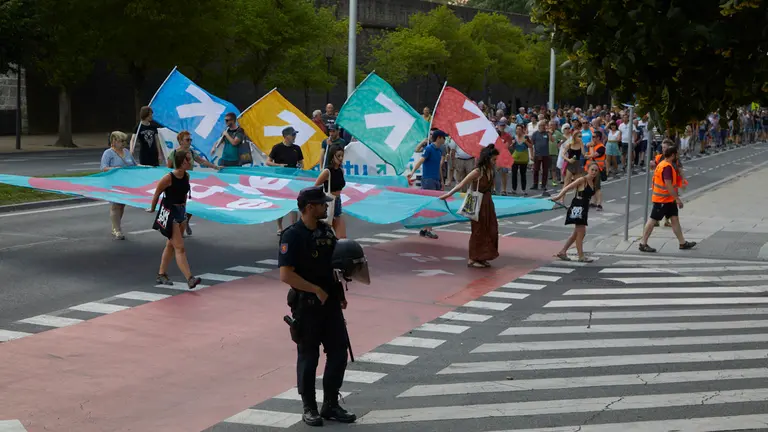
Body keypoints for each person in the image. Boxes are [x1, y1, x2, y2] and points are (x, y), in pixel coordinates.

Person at [279, 186, 356, 427]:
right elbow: (286, 275)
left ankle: (330, 404)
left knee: (339, 352)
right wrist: (315, 290)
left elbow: (334, 266)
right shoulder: (292, 236)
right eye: (322, 204)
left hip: (331, 304)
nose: (326, 207)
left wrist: (339, 293)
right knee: (308, 357)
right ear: (309, 207)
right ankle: (309, 407)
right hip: (307, 307)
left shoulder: (326, 231)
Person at [147, 149, 203, 289]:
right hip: (169, 212)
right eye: (188, 160)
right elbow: (157, 193)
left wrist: (184, 211)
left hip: (180, 212)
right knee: (180, 247)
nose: (190, 162)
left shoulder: (187, 176)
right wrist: (153, 208)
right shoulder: (168, 178)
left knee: (171, 245)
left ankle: (161, 273)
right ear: (182, 161)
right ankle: (189, 278)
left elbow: (184, 194)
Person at [439, 145, 500, 268]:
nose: (495, 162)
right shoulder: (477, 171)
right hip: (477, 202)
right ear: (487, 159)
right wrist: (448, 194)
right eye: (493, 159)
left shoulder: (491, 170)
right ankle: (473, 258)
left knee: (491, 229)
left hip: (488, 204)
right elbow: (461, 184)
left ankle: (483, 256)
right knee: (477, 231)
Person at [638, 146, 697, 253]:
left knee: (674, 219)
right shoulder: (667, 167)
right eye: (677, 154)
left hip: (668, 200)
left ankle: (682, 243)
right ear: (673, 155)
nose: (678, 157)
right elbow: (668, 185)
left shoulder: (663, 164)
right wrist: (677, 199)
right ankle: (643, 243)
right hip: (662, 200)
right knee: (652, 220)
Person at [167, 131, 220, 236]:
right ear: (180, 141)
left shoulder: (191, 152)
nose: (190, 142)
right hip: (177, 183)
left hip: (188, 181)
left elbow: (202, 161)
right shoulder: (174, 153)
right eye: (187, 140)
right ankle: (178, 229)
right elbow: (168, 169)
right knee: (178, 206)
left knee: (191, 205)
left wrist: (216, 167)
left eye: (190, 140)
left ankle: (185, 222)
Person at [552, 162, 600, 263]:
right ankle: (581, 256)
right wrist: (558, 197)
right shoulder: (582, 180)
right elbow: (568, 187)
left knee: (576, 233)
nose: (594, 172)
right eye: (592, 170)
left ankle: (563, 252)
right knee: (581, 233)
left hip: (584, 207)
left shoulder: (593, 182)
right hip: (578, 206)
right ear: (588, 169)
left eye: (596, 170)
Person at [408, 129, 447, 240]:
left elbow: (438, 167)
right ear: (439, 137)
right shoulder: (429, 149)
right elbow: (421, 161)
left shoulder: (439, 151)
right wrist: (412, 172)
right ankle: (429, 230)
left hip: (435, 180)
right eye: (444, 137)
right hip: (428, 179)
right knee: (431, 205)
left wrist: (441, 181)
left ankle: (425, 229)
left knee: (432, 204)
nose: (445, 139)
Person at [268, 126, 305, 235]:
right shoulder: (277, 148)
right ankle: (279, 227)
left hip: (294, 179)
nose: (295, 137)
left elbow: (301, 162)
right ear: (286, 136)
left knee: (294, 202)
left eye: (295, 134)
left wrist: (300, 168)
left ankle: (294, 227)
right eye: (293, 135)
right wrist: (279, 165)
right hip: (281, 180)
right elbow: (268, 162)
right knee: (281, 203)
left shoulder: (297, 148)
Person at [101, 131, 137, 240]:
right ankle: (117, 229)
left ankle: (116, 225)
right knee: (115, 205)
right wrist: (115, 169)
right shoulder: (108, 153)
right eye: (121, 141)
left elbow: (134, 165)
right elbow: (104, 168)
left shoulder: (126, 152)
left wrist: (145, 167)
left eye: (124, 141)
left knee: (122, 205)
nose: (124, 143)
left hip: (125, 183)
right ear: (114, 141)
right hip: (113, 183)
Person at [315, 144, 347, 238]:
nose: (341, 158)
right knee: (326, 229)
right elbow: (316, 185)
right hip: (329, 201)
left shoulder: (341, 170)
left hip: (337, 201)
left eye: (342, 155)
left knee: (341, 235)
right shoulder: (327, 171)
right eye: (338, 156)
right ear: (332, 156)